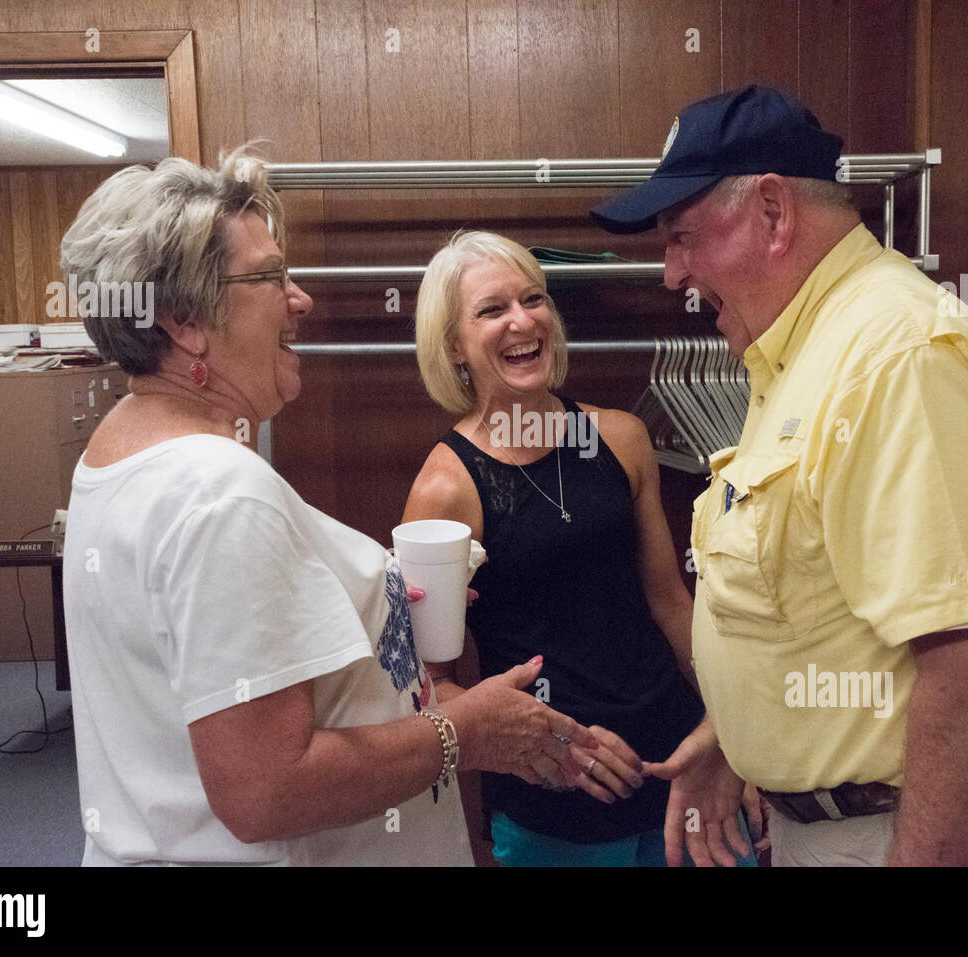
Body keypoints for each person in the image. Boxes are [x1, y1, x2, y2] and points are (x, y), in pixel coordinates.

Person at [590, 85, 968, 866]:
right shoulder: (803, 352)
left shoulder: (895, 358)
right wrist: (736, 736)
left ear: (774, 213)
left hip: (939, 829)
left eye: (682, 237)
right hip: (861, 825)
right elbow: (827, 605)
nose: (671, 273)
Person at [59, 147, 597, 866]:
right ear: (185, 320)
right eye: (272, 277)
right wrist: (465, 731)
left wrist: (373, 606)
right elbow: (265, 791)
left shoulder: (120, 453)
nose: (301, 298)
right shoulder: (219, 491)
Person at [403, 230, 748, 866]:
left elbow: (669, 600)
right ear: (453, 345)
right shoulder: (445, 489)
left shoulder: (621, 437)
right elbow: (429, 688)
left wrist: (732, 726)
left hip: (681, 768)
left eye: (533, 299)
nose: (521, 320)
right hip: (554, 805)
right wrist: (549, 744)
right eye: (491, 310)